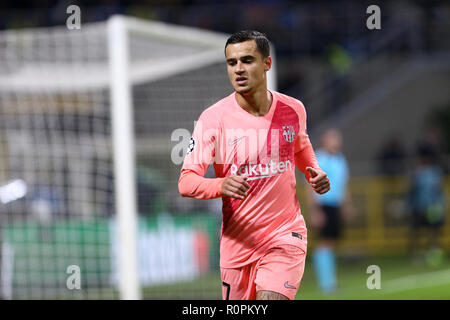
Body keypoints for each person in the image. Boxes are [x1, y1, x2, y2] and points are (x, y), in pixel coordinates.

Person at [178, 30, 330, 300]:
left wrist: (314, 173)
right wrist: (221, 184)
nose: (238, 69)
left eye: (247, 60)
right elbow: (186, 181)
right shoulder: (213, 119)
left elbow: (301, 146)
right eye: (231, 62)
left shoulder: (293, 109)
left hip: (284, 235)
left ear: (266, 64)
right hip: (237, 245)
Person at [306, 128, 350, 294]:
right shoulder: (318, 158)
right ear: (325, 140)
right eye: (333, 138)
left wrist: (345, 206)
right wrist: (315, 211)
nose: (337, 142)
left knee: (331, 242)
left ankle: (330, 282)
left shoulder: (340, 160)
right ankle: (326, 284)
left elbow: (343, 185)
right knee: (325, 243)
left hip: (335, 206)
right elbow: (310, 186)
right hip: (323, 205)